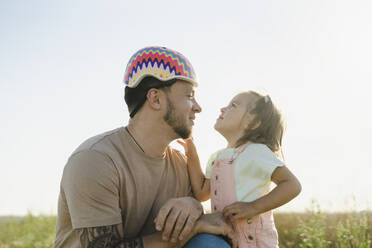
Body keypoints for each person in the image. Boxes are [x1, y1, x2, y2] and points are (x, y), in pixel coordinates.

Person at [53, 46, 237, 248]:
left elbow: (197, 222)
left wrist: (194, 207)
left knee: (210, 243)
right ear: (155, 98)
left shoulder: (180, 164)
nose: (198, 107)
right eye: (189, 95)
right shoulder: (95, 160)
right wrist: (196, 226)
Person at [178, 91, 302, 248]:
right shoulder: (216, 158)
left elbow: (292, 185)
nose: (223, 109)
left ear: (253, 122)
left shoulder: (257, 151)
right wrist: (191, 153)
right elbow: (202, 193)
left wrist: (254, 207)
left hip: (255, 241)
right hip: (225, 238)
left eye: (233, 106)